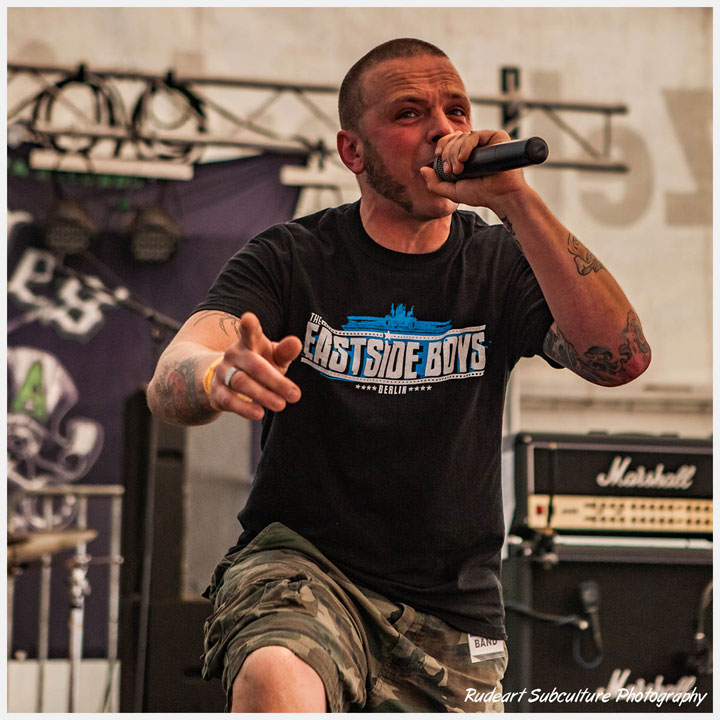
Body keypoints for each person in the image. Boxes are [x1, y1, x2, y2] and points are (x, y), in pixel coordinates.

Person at [146, 38, 650, 713]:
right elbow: (170, 375)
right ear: (352, 152)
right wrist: (216, 377)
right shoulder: (293, 257)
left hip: (453, 609)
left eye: (456, 111)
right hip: (305, 571)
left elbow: (620, 358)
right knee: (275, 674)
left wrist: (517, 201)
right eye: (410, 113)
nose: (442, 129)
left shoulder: (501, 260)